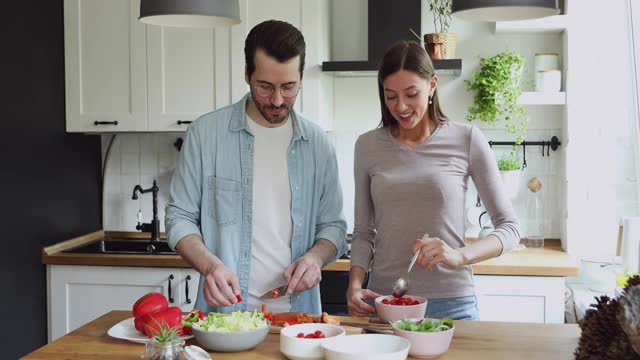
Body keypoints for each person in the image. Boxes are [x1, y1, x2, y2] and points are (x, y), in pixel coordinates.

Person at [165, 20, 347, 315]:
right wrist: (210, 266)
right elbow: (179, 218)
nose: (277, 100)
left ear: (301, 78)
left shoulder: (318, 144)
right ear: (247, 74)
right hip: (224, 318)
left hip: (297, 319)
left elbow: (334, 227)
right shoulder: (206, 134)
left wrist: (315, 258)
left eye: (289, 87)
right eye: (265, 87)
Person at [347, 41, 520, 320]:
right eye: (390, 96)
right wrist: (355, 286)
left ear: (432, 86)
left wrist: (460, 255)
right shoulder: (367, 146)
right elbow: (363, 232)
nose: (400, 106)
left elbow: (510, 229)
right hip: (385, 303)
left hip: (453, 304)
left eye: (411, 94)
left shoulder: (467, 139)